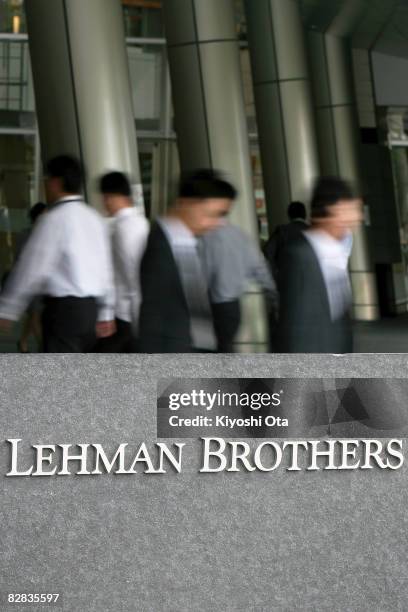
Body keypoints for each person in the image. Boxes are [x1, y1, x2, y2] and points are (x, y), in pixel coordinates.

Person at [0, 155, 115, 352]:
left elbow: (31, 268)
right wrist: (107, 311)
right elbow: (106, 269)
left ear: (56, 182)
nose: (45, 184)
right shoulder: (94, 219)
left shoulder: (52, 220)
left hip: (64, 314)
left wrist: (8, 308)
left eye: (46, 179)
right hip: (91, 312)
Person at [139, 169, 233, 353]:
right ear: (186, 204)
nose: (218, 223)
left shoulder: (189, 242)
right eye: (213, 214)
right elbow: (153, 319)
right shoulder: (160, 247)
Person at [275, 176, 362, 353]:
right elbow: (295, 328)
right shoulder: (299, 256)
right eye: (351, 209)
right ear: (332, 210)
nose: (357, 217)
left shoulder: (335, 250)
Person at [201, 216, 278, 352]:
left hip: (206, 304)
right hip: (231, 308)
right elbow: (259, 267)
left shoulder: (203, 235)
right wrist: (273, 293)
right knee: (225, 349)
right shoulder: (239, 236)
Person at [95, 171, 149, 352]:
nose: (104, 203)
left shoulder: (126, 229)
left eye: (105, 197)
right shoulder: (138, 222)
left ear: (111, 197)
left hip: (125, 318)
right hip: (126, 316)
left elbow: (135, 279)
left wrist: (139, 326)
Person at [15, 202, 47, 352]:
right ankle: (45, 348)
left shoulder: (47, 236)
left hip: (43, 282)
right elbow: (19, 260)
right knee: (35, 314)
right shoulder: (24, 235)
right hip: (28, 282)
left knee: (34, 315)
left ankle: (22, 342)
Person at [263, 201, 309, 281]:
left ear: (289, 215)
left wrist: (276, 273)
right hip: (310, 279)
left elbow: (268, 252)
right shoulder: (312, 231)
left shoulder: (281, 230)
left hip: (287, 279)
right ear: (305, 214)